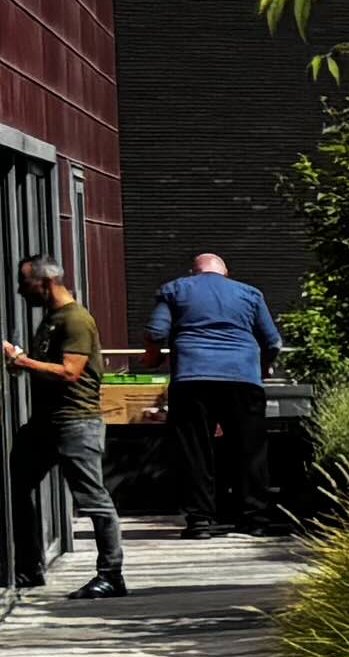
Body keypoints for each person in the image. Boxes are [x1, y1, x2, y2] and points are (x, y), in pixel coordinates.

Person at [142, 251, 287, 537]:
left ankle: (200, 522)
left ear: (193, 272)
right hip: (242, 379)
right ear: (226, 272)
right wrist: (263, 366)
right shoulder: (250, 294)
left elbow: (156, 331)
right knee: (250, 450)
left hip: (192, 379)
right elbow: (273, 341)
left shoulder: (174, 289)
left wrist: (154, 358)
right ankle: (255, 519)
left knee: (195, 451)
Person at [12, 252, 127, 599]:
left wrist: (21, 360)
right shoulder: (51, 318)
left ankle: (111, 575)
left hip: (76, 422)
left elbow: (70, 372)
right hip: (46, 423)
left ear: (45, 283)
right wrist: (24, 363)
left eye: (25, 283)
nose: (20, 291)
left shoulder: (75, 320)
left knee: (93, 499)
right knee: (13, 486)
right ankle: (28, 568)